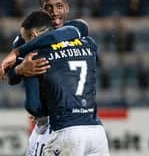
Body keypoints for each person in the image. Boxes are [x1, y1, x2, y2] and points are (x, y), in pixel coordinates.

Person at [2, 9, 109, 156]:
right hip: (96, 132)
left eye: (26, 39)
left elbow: (34, 107)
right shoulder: (88, 43)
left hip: (65, 130)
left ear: (33, 36)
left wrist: (19, 61)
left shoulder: (34, 58)